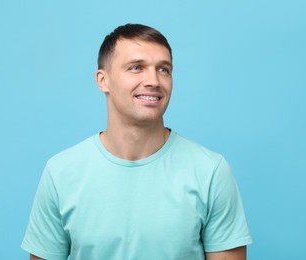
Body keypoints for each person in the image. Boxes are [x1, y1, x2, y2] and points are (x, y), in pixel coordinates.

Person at [22, 23, 252, 260]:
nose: (153, 80)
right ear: (103, 80)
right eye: (136, 67)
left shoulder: (210, 171)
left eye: (163, 69)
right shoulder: (60, 173)